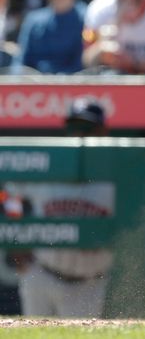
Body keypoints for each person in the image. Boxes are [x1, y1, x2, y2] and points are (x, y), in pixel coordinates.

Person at [8, 97, 112, 317]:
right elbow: (10, 193)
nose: (79, 134)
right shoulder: (50, 165)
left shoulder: (115, 175)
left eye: (87, 127)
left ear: (103, 130)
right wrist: (17, 239)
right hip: (42, 274)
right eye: (74, 127)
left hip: (89, 283)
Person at [13, 0, 84, 75]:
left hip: (75, 92)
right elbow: (20, 66)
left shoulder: (86, 17)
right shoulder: (33, 20)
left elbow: (85, 66)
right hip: (35, 92)